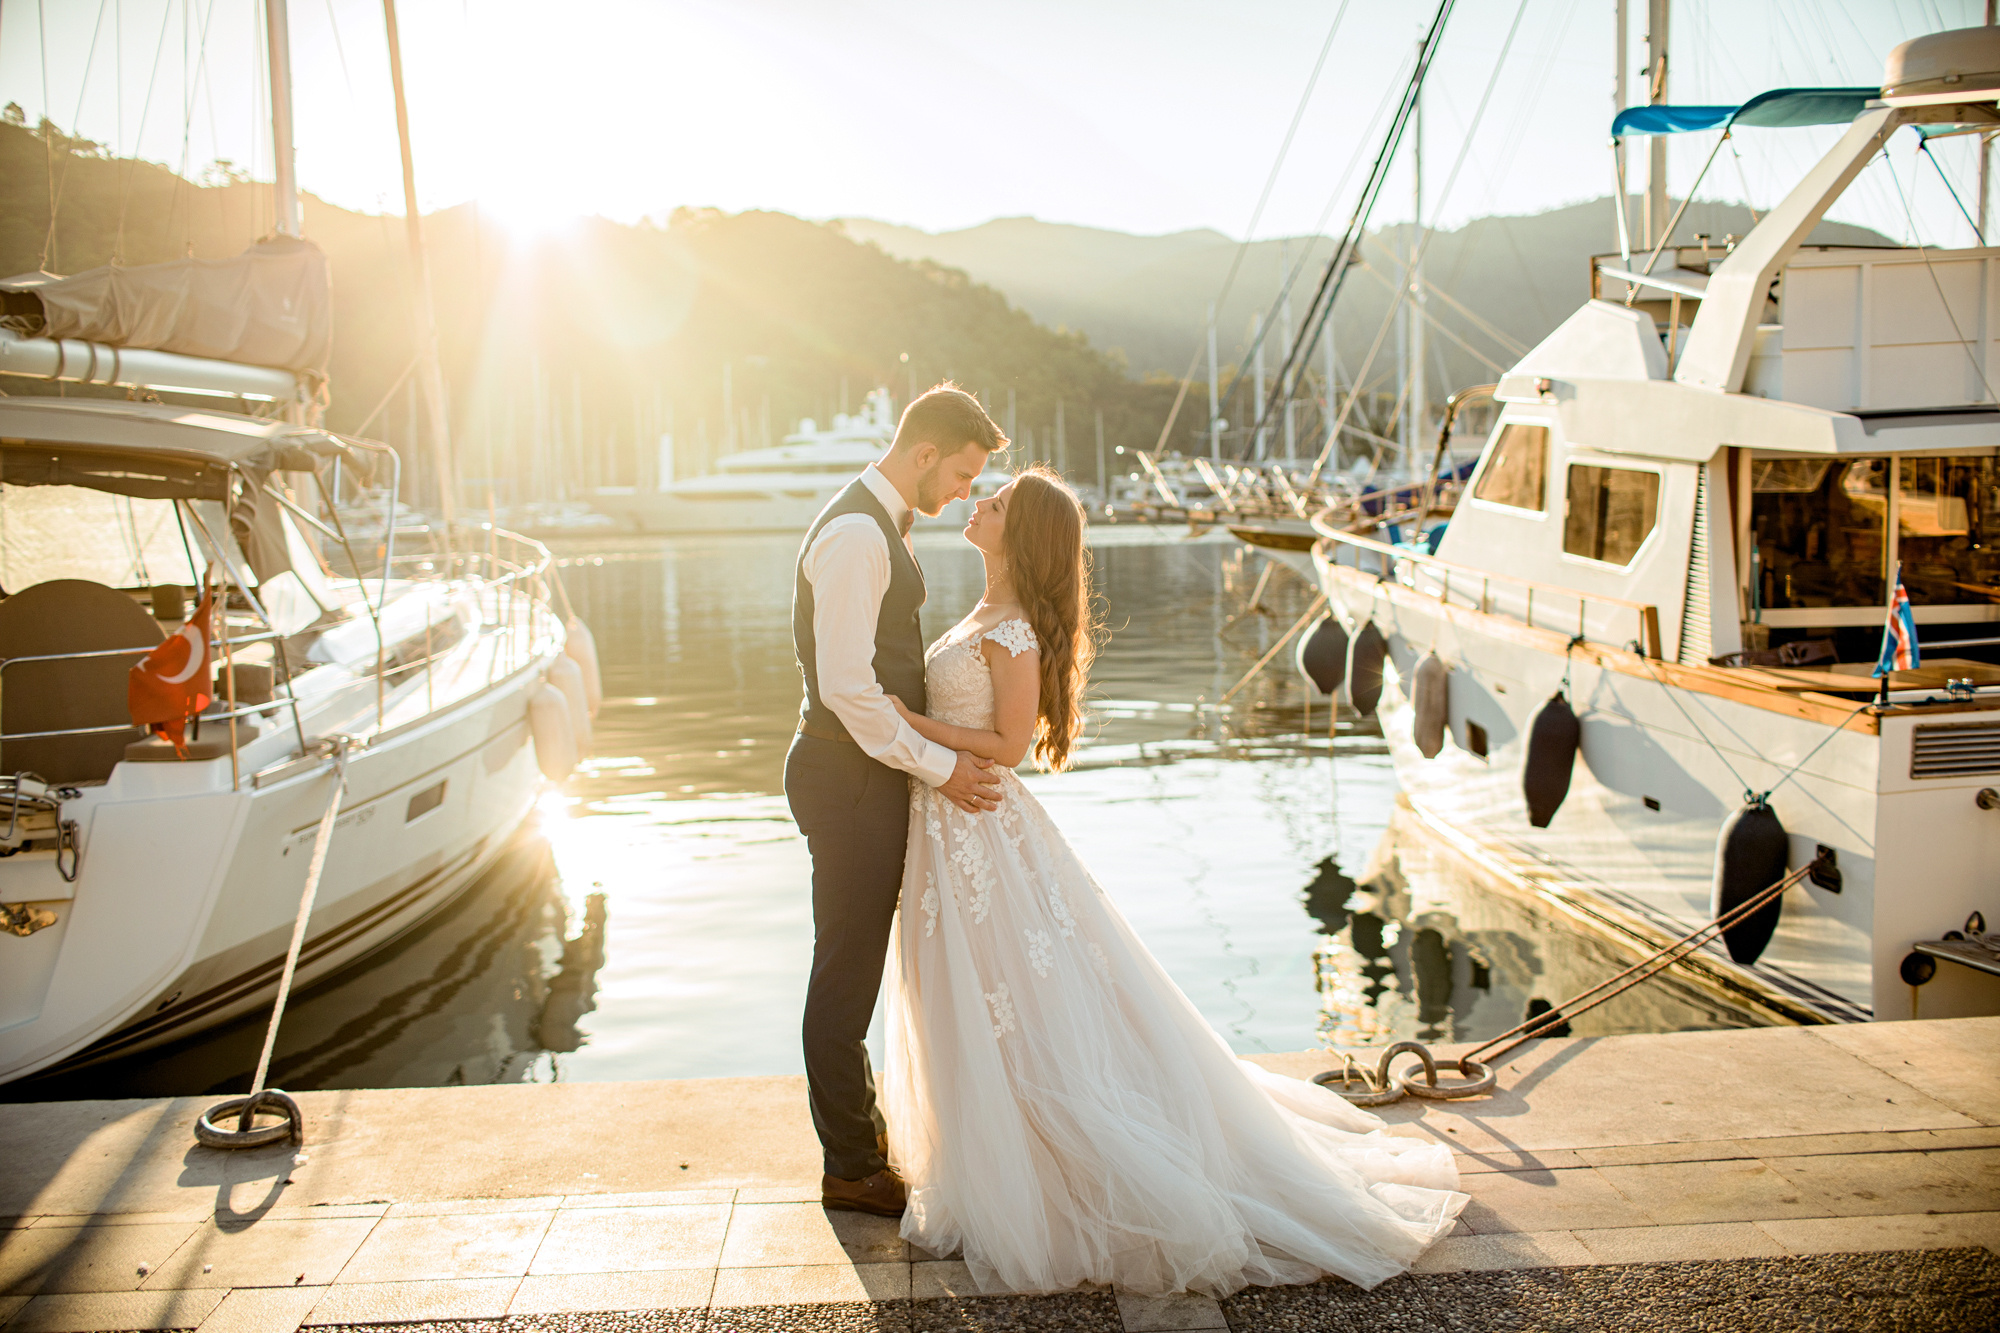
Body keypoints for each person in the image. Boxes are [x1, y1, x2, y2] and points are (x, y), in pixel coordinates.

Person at [879, 465, 1469, 1296]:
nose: (981, 504)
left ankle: (1052, 1165)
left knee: (1014, 1001)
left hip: (979, 823)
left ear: (1024, 534)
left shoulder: (1012, 630)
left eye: (998, 502)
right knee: (973, 1000)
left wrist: (909, 726)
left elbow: (1009, 743)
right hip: (953, 826)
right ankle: (987, 1152)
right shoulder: (982, 612)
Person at [785, 383, 1009, 1219]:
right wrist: (940, 765)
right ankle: (850, 1162)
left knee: (856, 967)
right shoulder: (853, 534)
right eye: (957, 472)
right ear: (922, 453)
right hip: (846, 775)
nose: (961, 491)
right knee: (845, 972)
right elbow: (849, 687)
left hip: (865, 771)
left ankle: (861, 1144)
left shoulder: (879, 524)